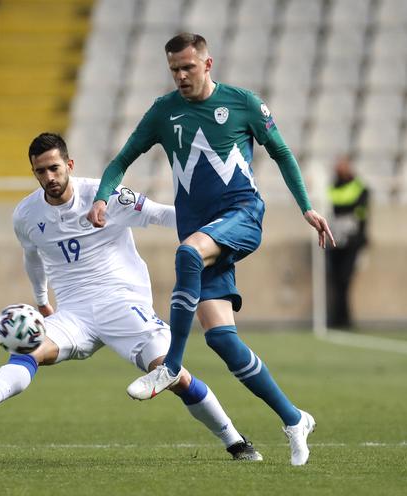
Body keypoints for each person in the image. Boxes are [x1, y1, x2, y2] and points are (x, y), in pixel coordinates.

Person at [86, 33, 336, 466]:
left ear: (207, 64)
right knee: (222, 339)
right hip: (204, 232)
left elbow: (281, 152)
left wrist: (307, 208)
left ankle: (170, 365)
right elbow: (121, 160)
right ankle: (295, 419)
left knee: (185, 253)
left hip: (242, 215)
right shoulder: (164, 112)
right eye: (174, 70)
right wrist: (102, 197)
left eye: (188, 67)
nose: (181, 76)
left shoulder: (243, 103)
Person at [0, 132, 262, 461]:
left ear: (69, 164)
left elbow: (159, 214)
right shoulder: (26, 215)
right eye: (40, 171)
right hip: (74, 313)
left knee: (171, 373)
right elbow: (32, 257)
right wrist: (41, 301)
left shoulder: (103, 195)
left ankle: (236, 442)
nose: (49, 177)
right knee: (31, 348)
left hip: (123, 303)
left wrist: (218, 232)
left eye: (54, 168)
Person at [326, 155, 369, 329]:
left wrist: (360, 239)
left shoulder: (360, 188)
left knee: (344, 279)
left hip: (352, 241)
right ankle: (340, 318)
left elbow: (362, 216)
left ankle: (343, 319)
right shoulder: (332, 187)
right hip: (335, 240)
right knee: (337, 280)